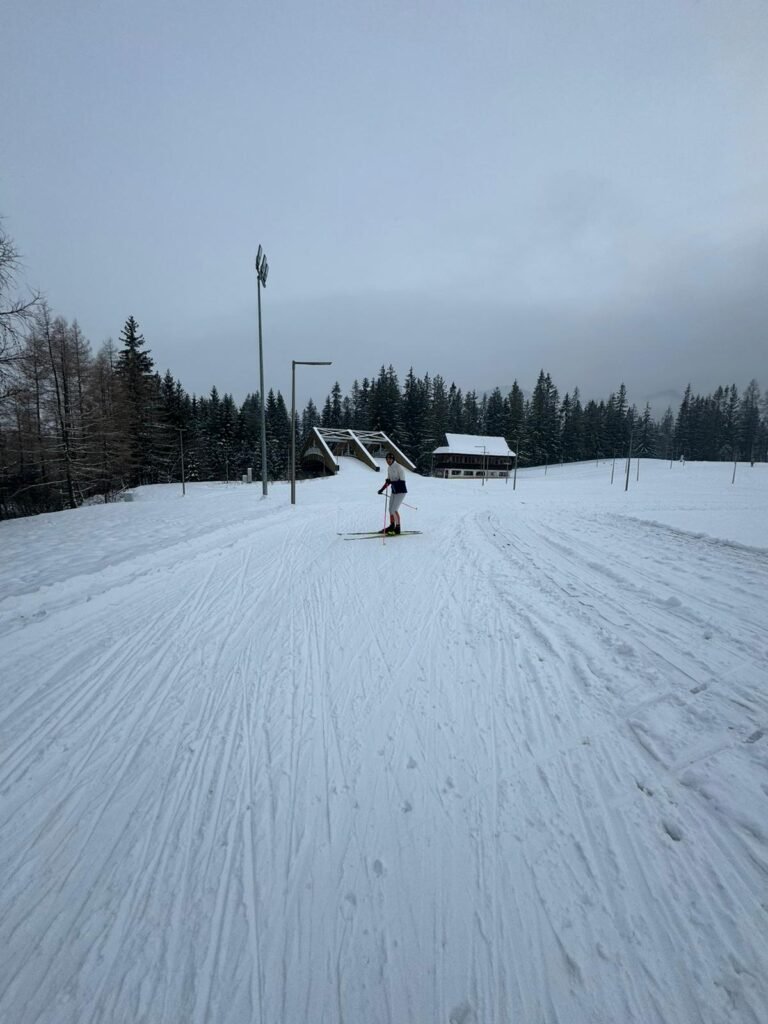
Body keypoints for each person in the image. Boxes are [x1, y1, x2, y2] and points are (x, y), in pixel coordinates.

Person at [377, 452, 407, 534]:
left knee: (394, 510)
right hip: (394, 491)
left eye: (390, 459)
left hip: (401, 491)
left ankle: (398, 528)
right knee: (390, 509)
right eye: (387, 459)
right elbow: (388, 481)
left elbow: (402, 482)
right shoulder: (389, 468)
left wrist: (391, 481)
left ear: (393, 459)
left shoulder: (398, 467)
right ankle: (392, 526)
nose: (388, 461)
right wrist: (382, 489)